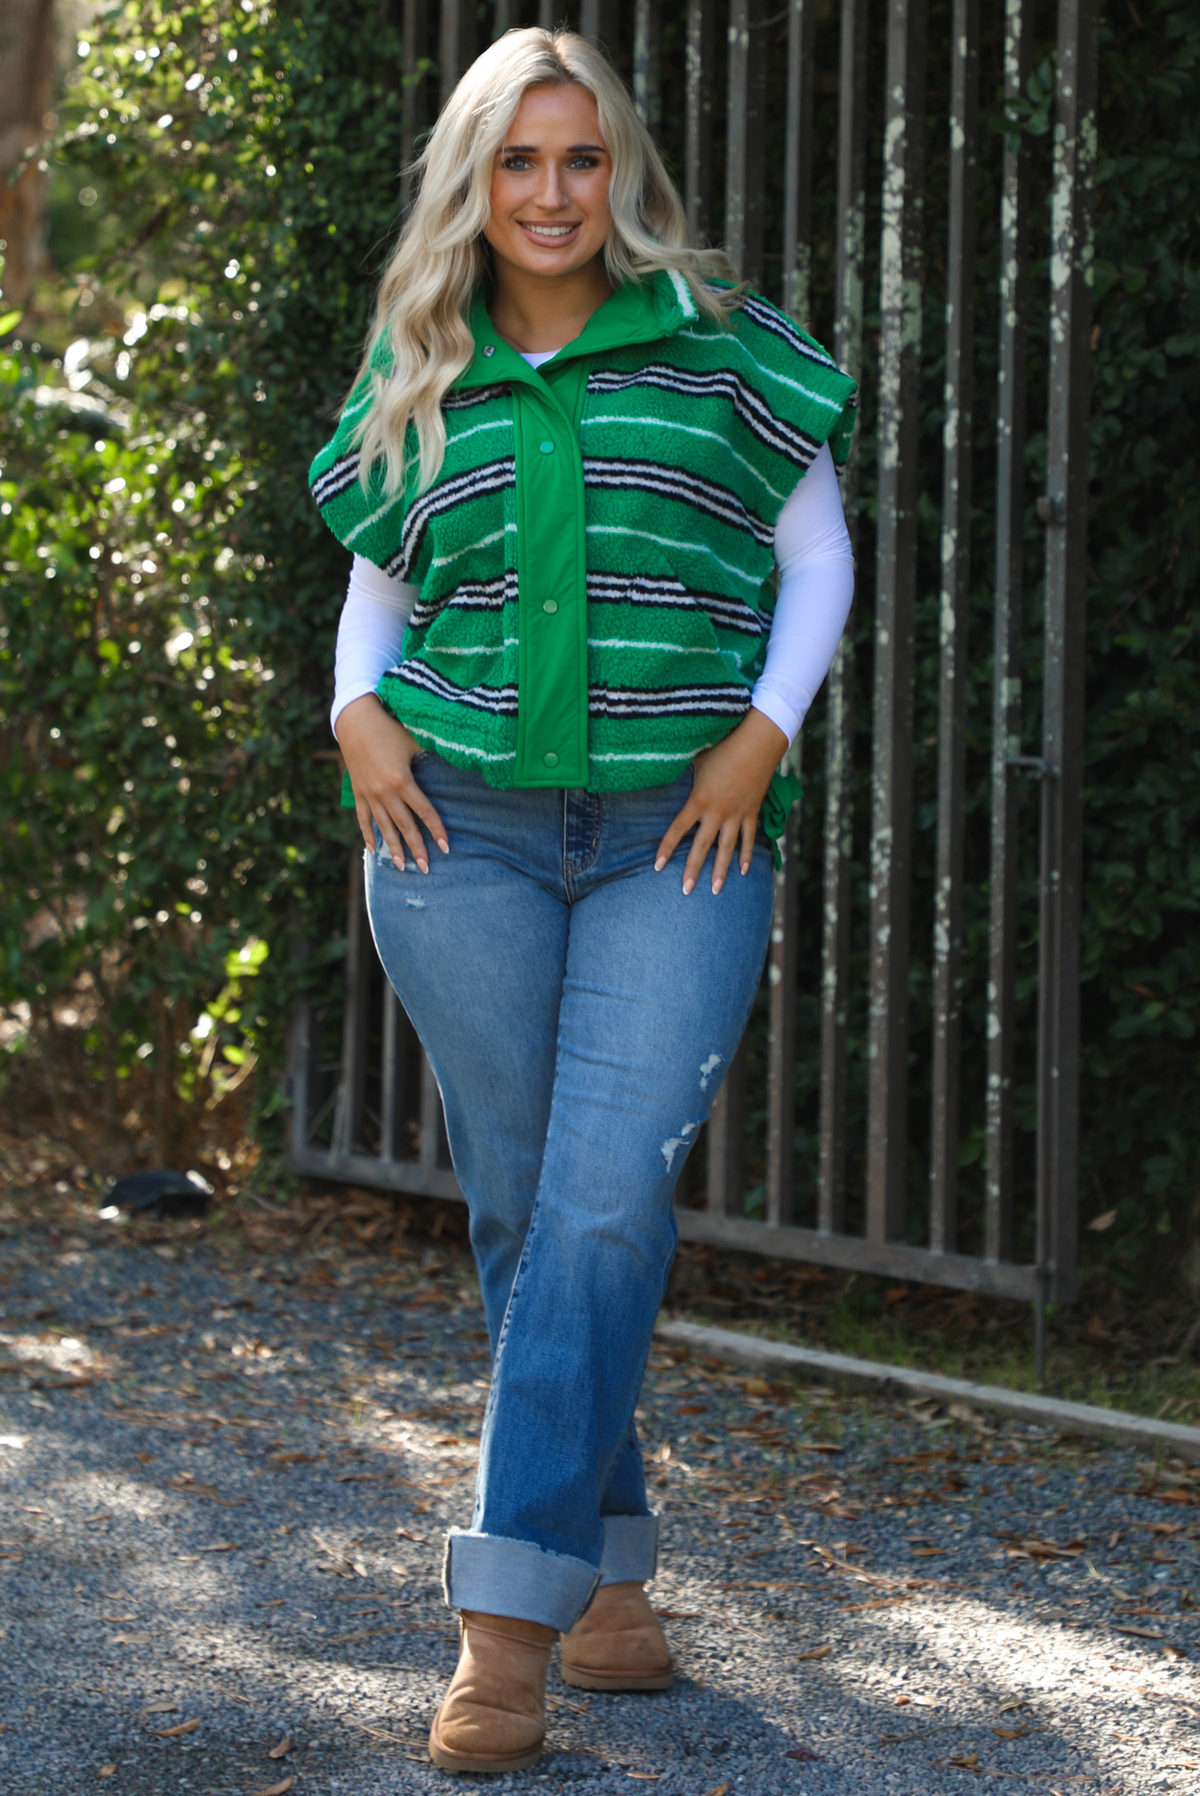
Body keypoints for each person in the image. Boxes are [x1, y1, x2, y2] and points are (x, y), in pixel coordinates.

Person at [310, 26, 856, 1776]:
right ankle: (611, 1578)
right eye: (518, 162)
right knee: (528, 1209)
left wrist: (761, 738)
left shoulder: (722, 350)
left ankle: (507, 1628)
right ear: (475, 181)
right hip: (450, 831)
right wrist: (356, 719)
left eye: (583, 158)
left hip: (671, 840)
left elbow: (815, 552)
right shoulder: (423, 358)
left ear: (622, 169)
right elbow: (379, 590)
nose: (552, 194)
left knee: (604, 1198)